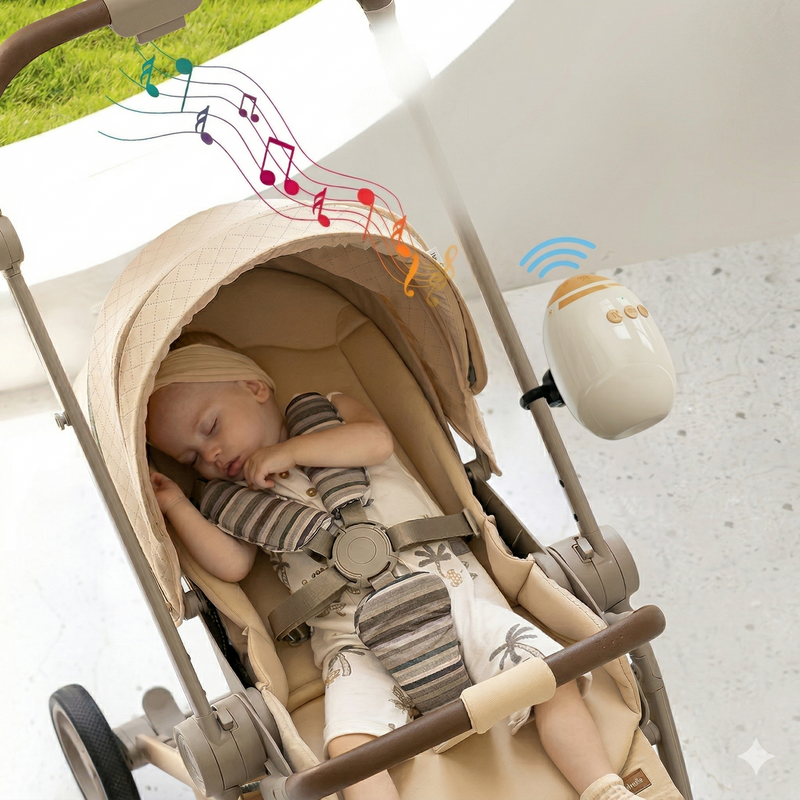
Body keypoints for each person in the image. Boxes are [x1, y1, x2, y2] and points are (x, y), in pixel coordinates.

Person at [147, 333, 639, 800]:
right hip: (351, 642)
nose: (211, 454)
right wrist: (177, 505)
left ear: (255, 388)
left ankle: (602, 786)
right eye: (192, 457)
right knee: (348, 751)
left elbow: (375, 442)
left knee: (548, 677)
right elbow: (232, 565)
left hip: (456, 596)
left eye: (211, 428)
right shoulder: (234, 503)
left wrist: (288, 452)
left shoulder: (332, 412)